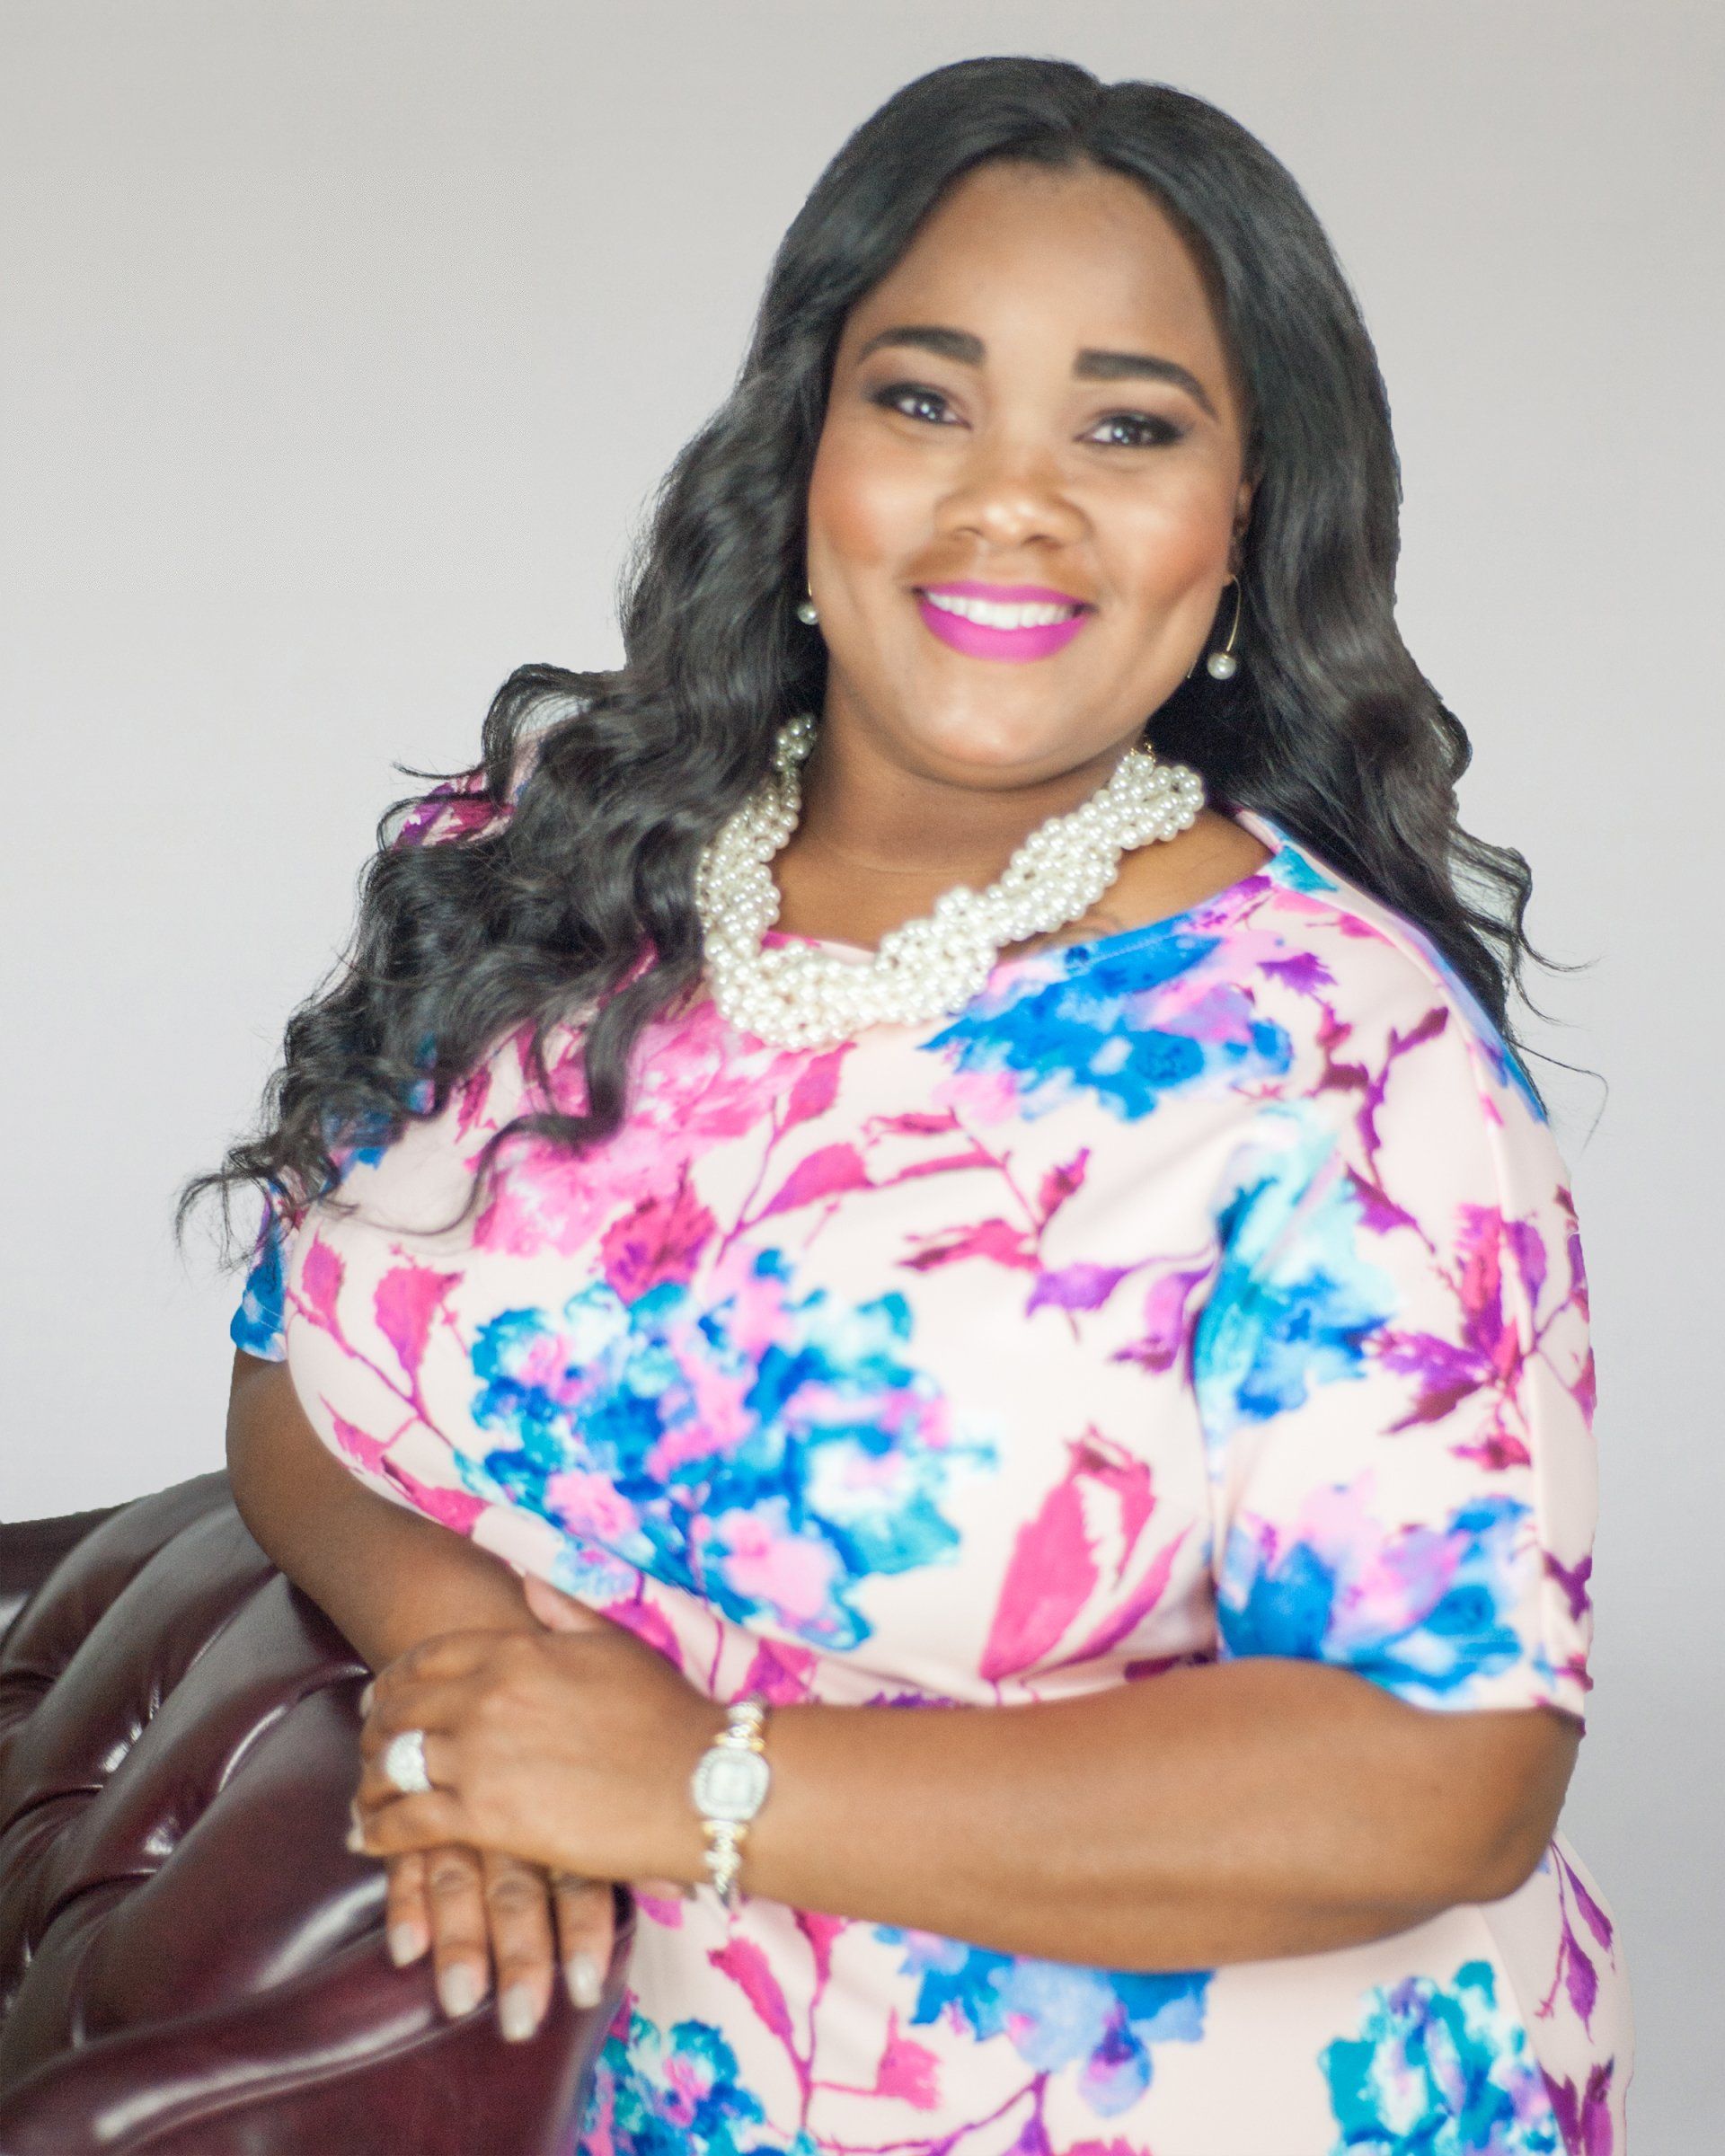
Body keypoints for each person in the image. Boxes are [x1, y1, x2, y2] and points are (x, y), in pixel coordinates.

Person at [186, 55, 1633, 2156]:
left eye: (1128, 427)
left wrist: (688, 1786)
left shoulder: (1337, 1055)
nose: (1009, 499)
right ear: (802, 453)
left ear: (1243, 533)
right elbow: (291, 1374)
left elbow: (1443, 1771)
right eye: (925, 398)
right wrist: (478, 1701)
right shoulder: (543, 862)